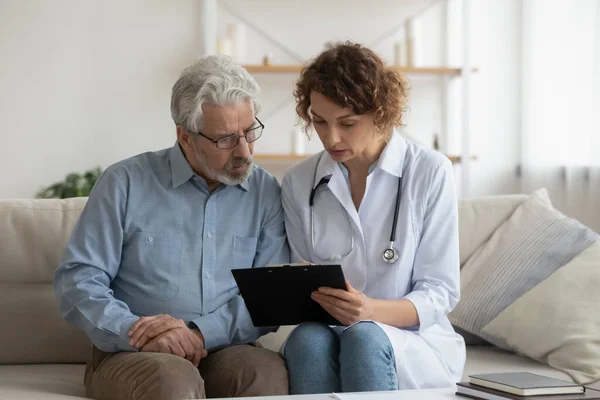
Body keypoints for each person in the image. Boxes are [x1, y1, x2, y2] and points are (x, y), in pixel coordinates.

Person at [54, 55, 290, 400]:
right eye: (226, 139)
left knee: (266, 374)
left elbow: (268, 297)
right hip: (136, 353)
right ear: (185, 137)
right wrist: (137, 331)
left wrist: (198, 334)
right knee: (172, 379)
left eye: (250, 131)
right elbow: (78, 279)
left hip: (227, 349)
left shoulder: (265, 192)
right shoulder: (125, 183)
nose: (244, 151)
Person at [281, 42, 466, 394]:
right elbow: (299, 274)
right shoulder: (299, 181)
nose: (330, 138)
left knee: (365, 338)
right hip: (327, 331)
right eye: (319, 121)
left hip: (411, 340)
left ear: (380, 113)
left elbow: (440, 291)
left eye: (347, 123)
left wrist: (370, 311)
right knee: (306, 340)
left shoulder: (429, 171)